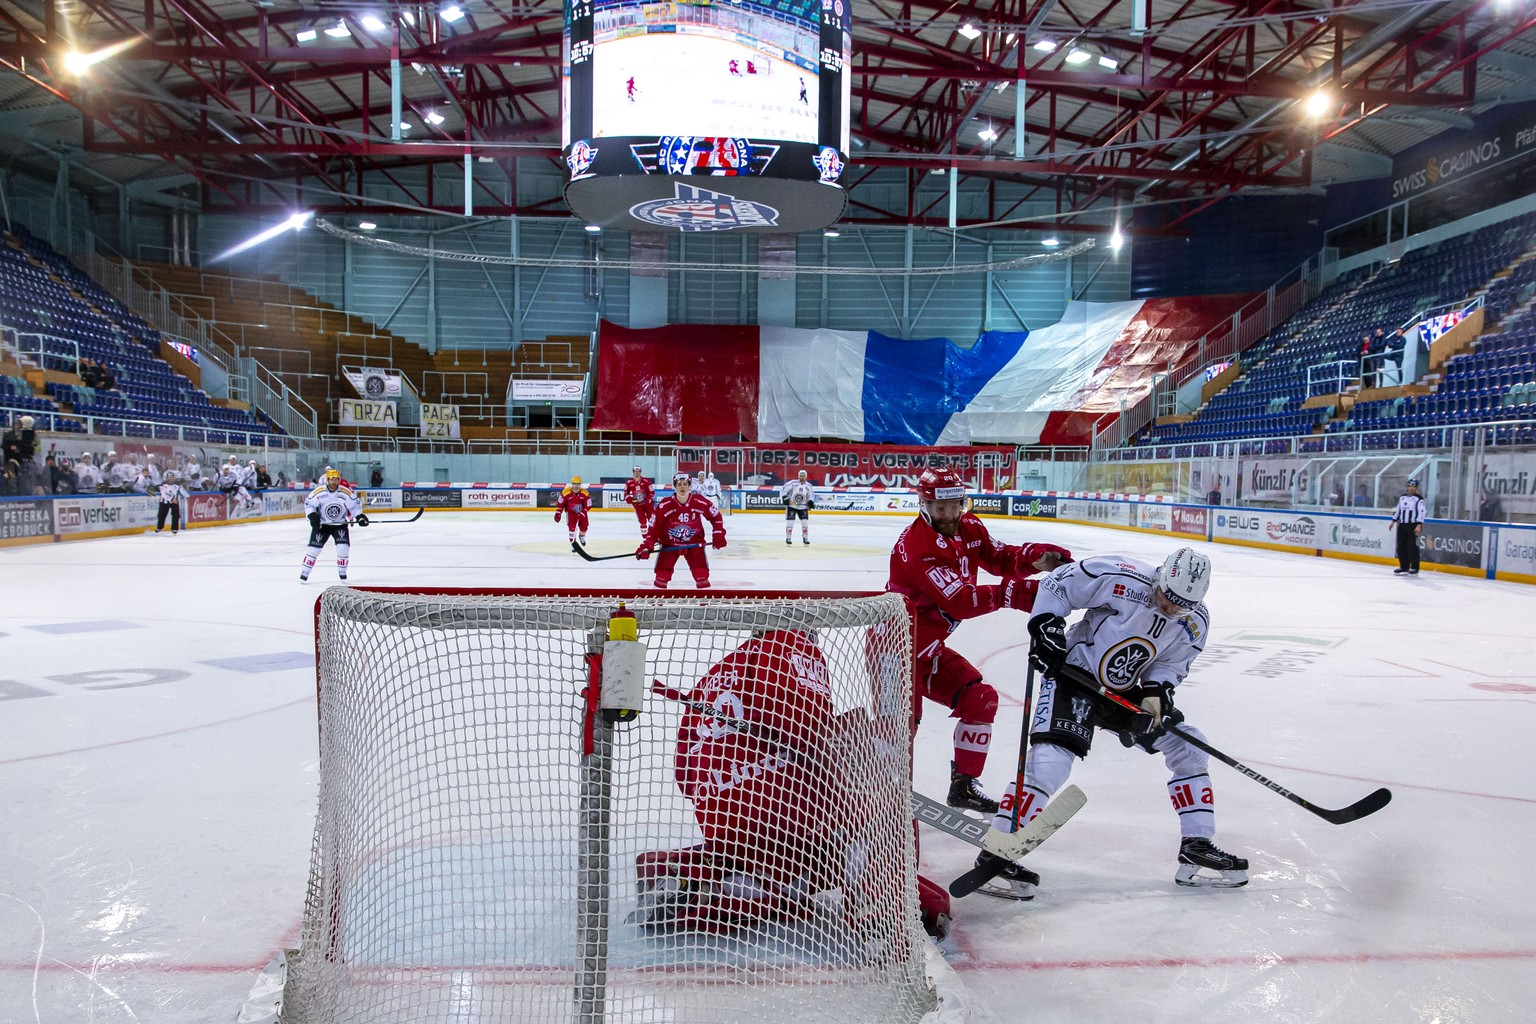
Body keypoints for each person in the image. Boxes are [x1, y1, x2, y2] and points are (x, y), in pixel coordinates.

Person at [634, 629, 950, 943]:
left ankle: (719, 882)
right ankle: (879, 906)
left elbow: (685, 777)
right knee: (883, 805)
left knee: (797, 865)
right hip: (778, 803)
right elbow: (808, 725)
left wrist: (732, 780)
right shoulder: (793, 646)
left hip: (721, 818)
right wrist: (862, 752)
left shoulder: (713, 678)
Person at [979, 548, 1247, 897]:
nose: (1170, 607)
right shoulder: (1121, 574)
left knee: (1188, 746)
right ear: (1161, 576)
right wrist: (1046, 626)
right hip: (1075, 676)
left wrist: (1157, 691)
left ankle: (1197, 844)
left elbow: (1170, 665)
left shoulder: (1194, 621)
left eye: (1181, 604)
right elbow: (1058, 586)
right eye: (1168, 596)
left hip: (1123, 690)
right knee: (1050, 763)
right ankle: (997, 848)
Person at [884, 467, 1072, 814]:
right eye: (942, 508)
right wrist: (1015, 594)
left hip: (926, 649)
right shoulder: (917, 546)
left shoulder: (970, 526)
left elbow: (1000, 557)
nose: (951, 514)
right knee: (901, 729)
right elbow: (959, 600)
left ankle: (964, 786)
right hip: (892, 649)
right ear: (924, 506)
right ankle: (881, 796)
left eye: (957, 505)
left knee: (980, 699)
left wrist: (1036, 557)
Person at [636, 472, 726, 589]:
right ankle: (656, 604)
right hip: (670, 544)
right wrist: (647, 545)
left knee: (701, 575)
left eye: (685, 484)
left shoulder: (699, 501)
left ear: (690, 486)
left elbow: (716, 517)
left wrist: (718, 534)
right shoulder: (665, 505)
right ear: (675, 486)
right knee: (662, 575)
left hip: (694, 544)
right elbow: (654, 528)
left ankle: (705, 604)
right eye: (679, 484)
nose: (682, 486)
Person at [300, 469, 367, 583]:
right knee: (314, 550)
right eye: (332, 479)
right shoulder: (319, 492)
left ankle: (342, 573)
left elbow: (355, 506)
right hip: (322, 525)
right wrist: (312, 516)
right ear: (328, 480)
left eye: (336, 479)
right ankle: (304, 572)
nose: (334, 482)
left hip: (340, 525)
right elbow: (308, 504)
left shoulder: (345, 492)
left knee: (343, 549)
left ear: (339, 480)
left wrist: (359, 517)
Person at [1389, 477, 1426, 575]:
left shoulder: (1419, 499)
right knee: (1401, 546)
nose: (1411, 488)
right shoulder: (1402, 498)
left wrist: (1419, 525)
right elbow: (1398, 510)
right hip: (1402, 525)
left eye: (1414, 486)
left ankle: (1414, 567)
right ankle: (1404, 566)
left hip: (1413, 525)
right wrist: (1393, 521)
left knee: (1412, 546)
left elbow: (1421, 512)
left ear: (1416, 488)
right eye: (1410, 486)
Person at [780, 469, 816, 545]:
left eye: (804, 476)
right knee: (790, 522)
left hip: (803, 507)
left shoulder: (809, 486)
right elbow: (784, 489)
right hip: (792, 506)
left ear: (806, 476)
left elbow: (811, 495)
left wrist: (811, 501)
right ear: (798, 476)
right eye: (801, 475)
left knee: (805, 523)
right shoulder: (792, 483)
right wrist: (784, 497)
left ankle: (805, 538)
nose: (802, 477)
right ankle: (788, 538)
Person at [555, 475, 592, 546]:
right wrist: (558, 512)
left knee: (584, 527)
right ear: (572, 484)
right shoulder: (565, 493)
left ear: (580, 485)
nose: (576, 486)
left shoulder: (585, 493)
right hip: (570, 514)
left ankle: (581, 536)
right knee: (572, 530)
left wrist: (584, 512)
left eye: (578, 484)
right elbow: (560, 504)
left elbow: (588, 504)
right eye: (574, 484)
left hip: (582, 513)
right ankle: (574, 545)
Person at [623, 466, 655, 535]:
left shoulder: (646, 481)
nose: (636, 473)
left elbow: (652, 492)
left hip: (648, 504)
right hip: (637, 505)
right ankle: (645, 537)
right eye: (635, 471)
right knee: (642, 521)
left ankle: (653, 535)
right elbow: (625, 492)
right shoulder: (629, 482)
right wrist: (628, 497)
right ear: (633, 472)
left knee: (652, 520)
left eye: (638, 471)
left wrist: (649, 499)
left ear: (640, 472)